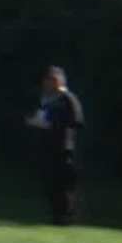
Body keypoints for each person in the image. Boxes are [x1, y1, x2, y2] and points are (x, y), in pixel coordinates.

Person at [24, 66, 84, 225]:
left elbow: (75, 122)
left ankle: (68, 217)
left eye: (49, 80)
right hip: (49, 149)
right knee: (51, 183)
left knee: (65, 185)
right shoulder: (48, 100)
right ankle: (57, 216)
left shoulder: (68, 99)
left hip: (65, 149)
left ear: (57, 81)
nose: (45, 84)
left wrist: (51, 126)